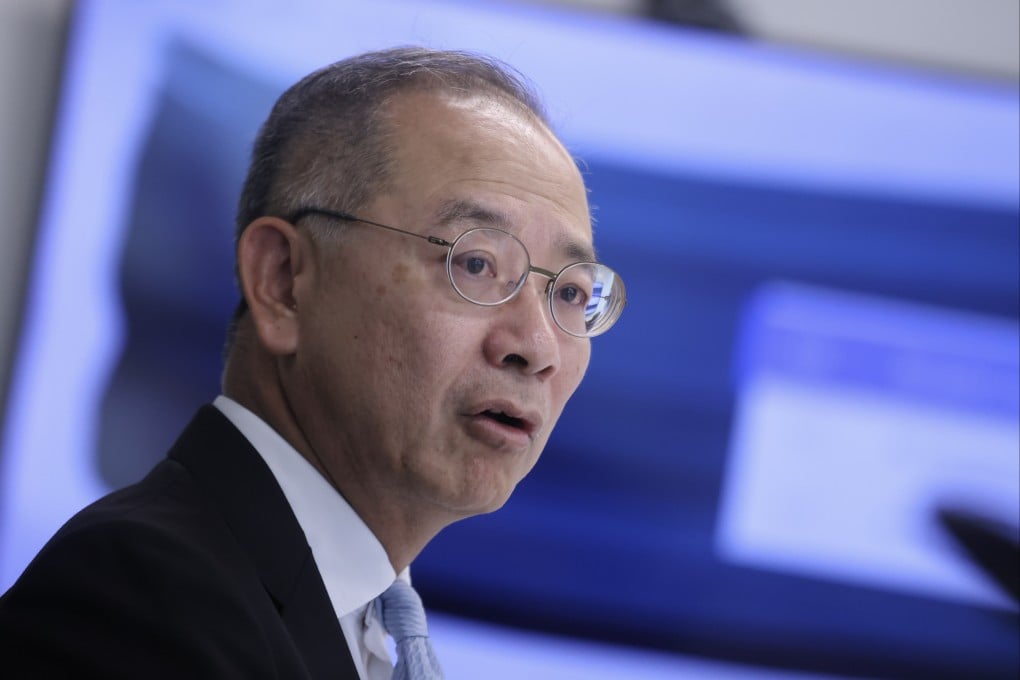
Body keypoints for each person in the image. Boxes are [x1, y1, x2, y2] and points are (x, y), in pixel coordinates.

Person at [0, 46, 626, 679]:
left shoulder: (361, 626)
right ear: (283, 280)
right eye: (475, 263)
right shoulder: (136, 597)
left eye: (569, 294)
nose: (538, 347)